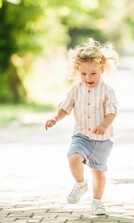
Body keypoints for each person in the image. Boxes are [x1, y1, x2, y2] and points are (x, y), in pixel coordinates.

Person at [44, 38, 118, 215]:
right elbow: (65, 108)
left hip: (102, 140)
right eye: (83, 74)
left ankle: (97, 201)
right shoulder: (76, 90)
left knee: (98, 172)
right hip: (81, 136)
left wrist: (103, 125)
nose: (88, 78)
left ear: (101, 69)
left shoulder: (107, 90)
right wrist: (55, 118)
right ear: (78, 72)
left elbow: (112, 112)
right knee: (73, 157)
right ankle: (80, 184)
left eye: (93, 73)